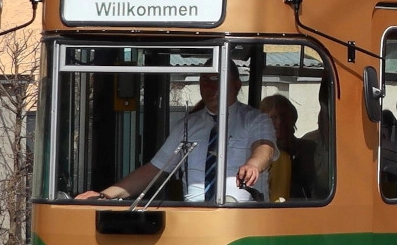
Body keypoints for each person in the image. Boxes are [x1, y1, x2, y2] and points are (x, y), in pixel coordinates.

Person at [79, 72, 276, 204]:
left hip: (243, 218)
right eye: (204, 80)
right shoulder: (187, 125)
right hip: (193, 218)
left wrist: (253, 165)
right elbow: (154, 170)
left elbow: (264, 148)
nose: (210, 86)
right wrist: (105, 195)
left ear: (236, 84)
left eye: (217, 79)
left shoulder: (256, 119)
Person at [258, 95, 297, 202]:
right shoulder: (279, 157)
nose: (279, 122)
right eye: (273, 117)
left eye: (283, 117)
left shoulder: (305, 150)